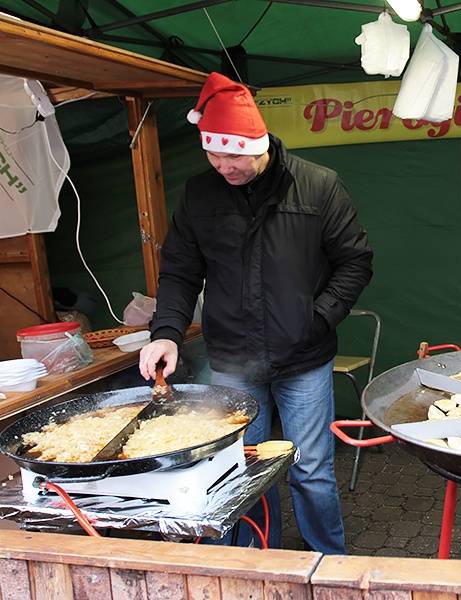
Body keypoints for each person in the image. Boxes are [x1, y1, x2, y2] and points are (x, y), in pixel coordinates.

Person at [138, 72, 374, 554]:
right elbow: (180, 272)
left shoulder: (318, 186)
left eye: (235, 155)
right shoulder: (199, 194)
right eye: (215, 154)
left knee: (310, 469)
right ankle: (252, 560)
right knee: (240, 467)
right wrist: (166, 333)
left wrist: (319, 317)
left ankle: (330, 562)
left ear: (260, 143)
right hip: (232, 359)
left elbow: (355, 260)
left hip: (304, 357)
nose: (225, 166)